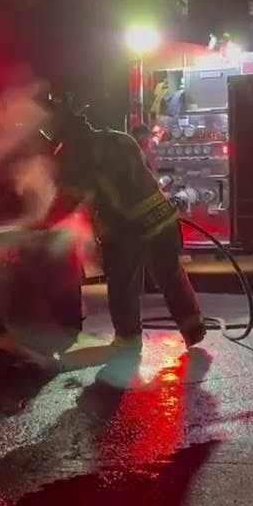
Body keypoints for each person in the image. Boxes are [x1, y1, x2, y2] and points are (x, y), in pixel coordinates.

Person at [39, 98, 205, 352]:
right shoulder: (120, 138)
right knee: (171, 275)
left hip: (127, 228)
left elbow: (68, 200)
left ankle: (128, 340)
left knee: (123, 285)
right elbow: (149, 174)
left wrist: (41, 225)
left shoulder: (76, 154)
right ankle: (194, 329)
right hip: (163, 219)